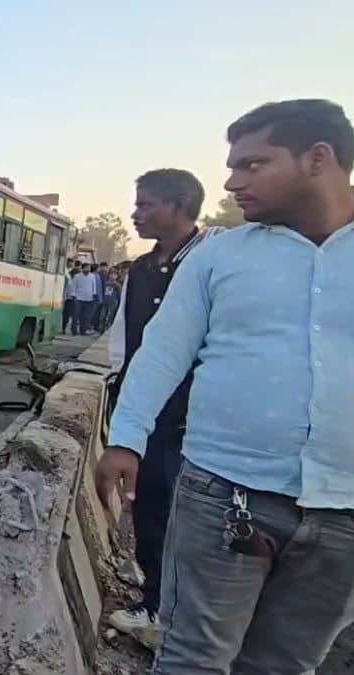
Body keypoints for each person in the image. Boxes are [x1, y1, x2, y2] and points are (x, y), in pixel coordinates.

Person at [97, 99, 354, 673]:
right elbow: (161, 354)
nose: (231, 182)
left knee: (285, 665)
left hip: (344, 514)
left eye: (253, 165)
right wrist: (126, 438)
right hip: (225, 494)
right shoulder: (219, 258)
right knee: (193, 658)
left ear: (318, 159)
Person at [102, 168, 220, 650]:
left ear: (179, 206)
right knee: (150, 508)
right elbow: (124, 340)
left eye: (147, 204)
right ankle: (156, 598)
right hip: (146, 415)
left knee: (181, 516)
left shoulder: (211, 261)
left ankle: (167, 612)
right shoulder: (143, 268)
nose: (137, 214)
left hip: (191, 421)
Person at [69, 262, 97, 335]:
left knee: (85, 316)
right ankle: (74, 330)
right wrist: (73, 295)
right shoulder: (77, 276)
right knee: (76, 315)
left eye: (89, 268)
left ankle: (83, 330)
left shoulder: (92, 276)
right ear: (82, 268)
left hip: (89, 299)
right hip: (78, 298)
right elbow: (73, 286)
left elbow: (94, 286)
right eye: (86, 268)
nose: (88, 269)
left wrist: (94, 294)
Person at [62, 267, 79, 333]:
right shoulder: (70, 282)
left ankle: (66, 328)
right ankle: (65, 328)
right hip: (70, 300)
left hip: (70, 300)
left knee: (67, 316)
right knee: (69, 316)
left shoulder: (70, 281)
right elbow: (66, 291)